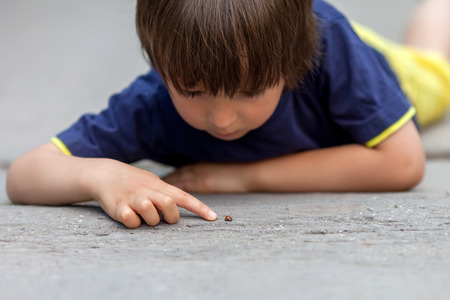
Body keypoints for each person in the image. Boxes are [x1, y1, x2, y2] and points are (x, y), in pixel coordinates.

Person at [6, 0, 450, 228]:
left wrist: (241, 178)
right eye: (194, 90)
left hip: (388, 68)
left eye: (251, 90)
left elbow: (402, 162)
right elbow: (25, 173)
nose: (221, 119)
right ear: (160, 66)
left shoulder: (328, 47)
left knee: (435, 67)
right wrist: (99, 176)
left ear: (293, 65)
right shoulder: (150, 106)